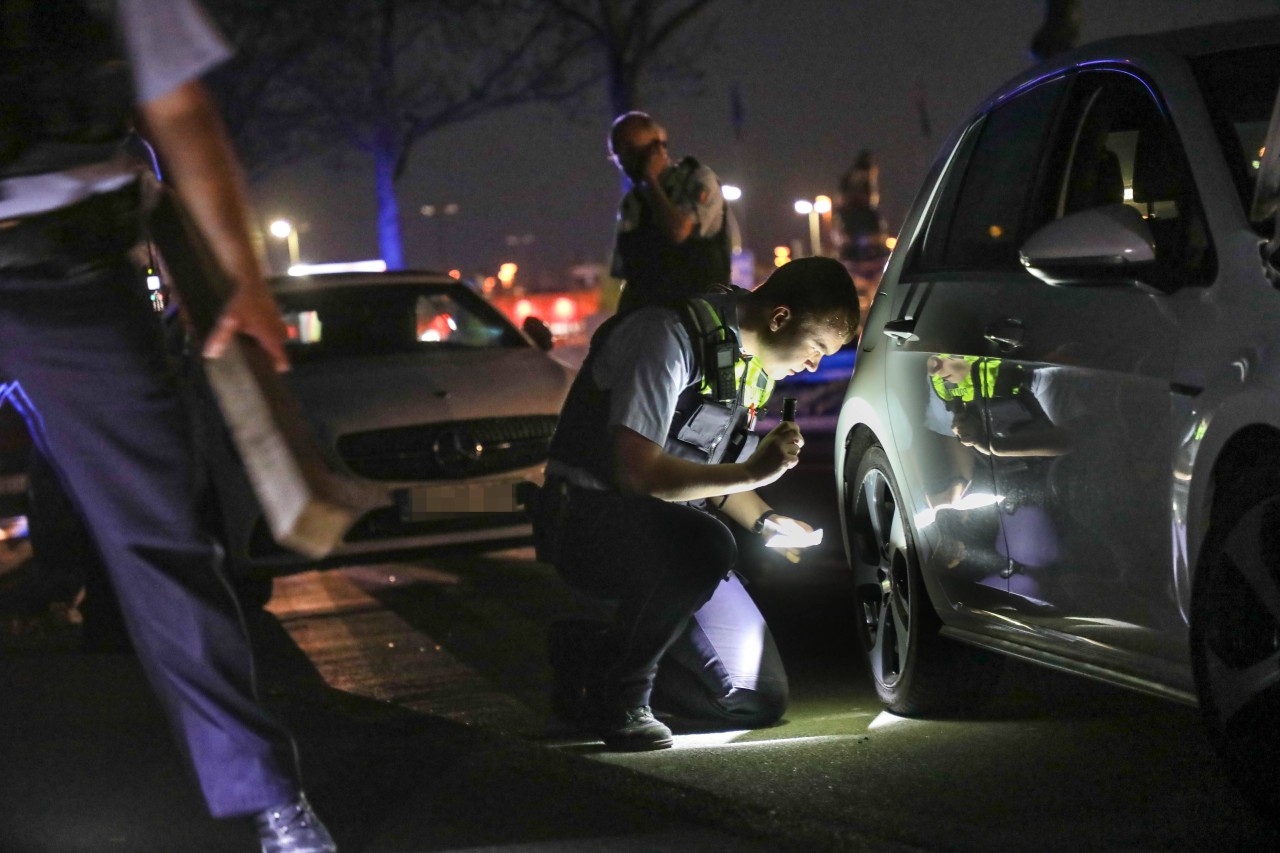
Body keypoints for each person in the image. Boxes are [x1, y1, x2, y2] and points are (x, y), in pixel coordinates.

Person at [0, 3, 335, 851]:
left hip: (70, 269)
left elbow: (179, 109)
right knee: (162, 548)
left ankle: (271, 800)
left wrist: (240, 279)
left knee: (162, 546)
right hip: (71, 269)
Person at [534, 256, 859, 751]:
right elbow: (638, 474)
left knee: (753, 700)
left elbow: (708, 475)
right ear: (779, 317)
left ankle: (590, 655)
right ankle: (622, 698)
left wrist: (767, 520)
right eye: (817, 348)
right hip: (590, 521)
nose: (815, 365)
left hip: (670, 536)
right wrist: (755, 472)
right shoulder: (665, 336)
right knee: (705, 543)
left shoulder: (748, 367)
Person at [608, 111, 734, 313]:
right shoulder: (632, 203)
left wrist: (652, 181)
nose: (625, 163)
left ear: (657, 149)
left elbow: (678, 231)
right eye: (619, 155)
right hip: (650, 318)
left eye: (632, 151)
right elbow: (628, 275)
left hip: (701, 319)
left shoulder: (697, 179)